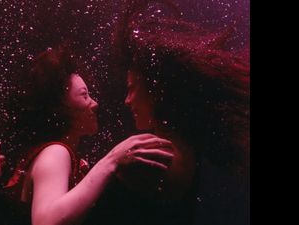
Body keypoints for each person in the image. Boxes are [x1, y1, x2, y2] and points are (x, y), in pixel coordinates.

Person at [82, 1, 249, 225]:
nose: (127, 100)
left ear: (155, 92)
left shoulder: (148, 155)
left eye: (132, 89)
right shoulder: (184, 148)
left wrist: (109, 163)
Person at [0, 46, 175, 225]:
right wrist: (111, 160)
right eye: (84, 95)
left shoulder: (53, 155)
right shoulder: (56, 152)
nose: (95, 103)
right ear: (60, 108)